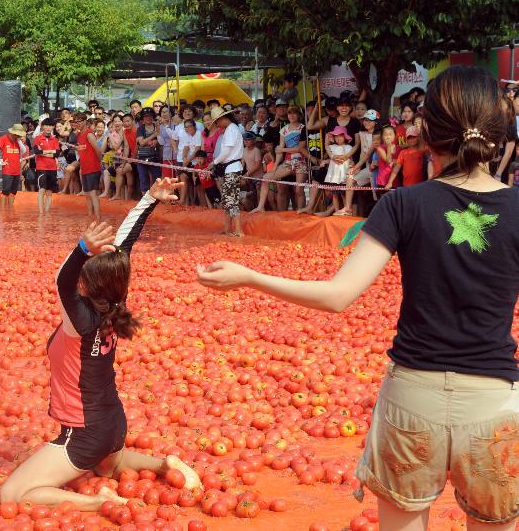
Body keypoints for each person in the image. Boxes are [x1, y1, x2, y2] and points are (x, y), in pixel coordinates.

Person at [198, 65, 519, 531]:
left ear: (425, 133)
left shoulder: (404, 204)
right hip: (494, 403)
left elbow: (338, 295)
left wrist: (251, 276)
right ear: (499, 133)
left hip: (414, 398)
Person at [0, 177, 201, 510]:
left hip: (86, 433)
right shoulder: (116, 300)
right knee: (108, 466)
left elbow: (61, 280)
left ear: (88, 284)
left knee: (12, 495)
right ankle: (166, 465)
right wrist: (149, 198)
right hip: (113, 424)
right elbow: (124, 248)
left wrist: (81, 249)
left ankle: (102, 502)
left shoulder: (80, 319)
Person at [210, 107, 245, 236]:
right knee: (227, 200)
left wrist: (214, 162)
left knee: (231, 200)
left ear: (222, 119)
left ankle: (238, 230)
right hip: (230, 168)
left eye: (217, 122)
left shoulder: (231, 130)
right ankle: (228, 228)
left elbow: (226, 152)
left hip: (232, 168)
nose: (217, 125)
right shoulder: (231, 129)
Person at [74, 112, 104, 221]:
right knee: (87, 193)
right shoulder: (79, 135)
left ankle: (98, 217)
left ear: (85, 122)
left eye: (79, 121)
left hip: (93, 167)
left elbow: (98, 150)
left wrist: (100, 162)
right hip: (85, 168)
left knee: (93, 193)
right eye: (76, 121)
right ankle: (90, 216)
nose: (77, 124)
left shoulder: (89, 134)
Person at [324, 126, 355, 214]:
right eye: (336, 136)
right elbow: (330, 158)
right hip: (334, 175)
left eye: (340, 136)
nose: (338, 138)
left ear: (345, 137)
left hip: (344, 174)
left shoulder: (349, 147)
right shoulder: (332, 147)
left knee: (344, 194)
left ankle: (346, 210)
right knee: (335, 194)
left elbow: (351, 160)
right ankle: (337, 211)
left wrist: (352, 164)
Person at [33, 118, 60, 215]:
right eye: (46, 126)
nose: (48, 128)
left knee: (49, 191)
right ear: (42, 127)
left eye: (50, 126)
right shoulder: (38, 138)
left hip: (52, 168)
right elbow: (36, 151)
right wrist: (50, 152)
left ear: (53, 127)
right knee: (42, 190)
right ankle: (41, 213)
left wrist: (44, 152)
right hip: (41, 168)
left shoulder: (55, 139)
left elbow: (57, 153)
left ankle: (47, 212)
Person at [0, 123, 27, 209]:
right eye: (17, 134)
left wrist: (19, 141)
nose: (19, 136)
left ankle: (10, 209)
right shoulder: (4, 138)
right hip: (7, 169)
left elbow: (24, 151)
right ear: (13, 132)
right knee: (6, 190)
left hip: (17, 170)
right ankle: (3, 210)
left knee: (14, 191)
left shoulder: (18, 141)